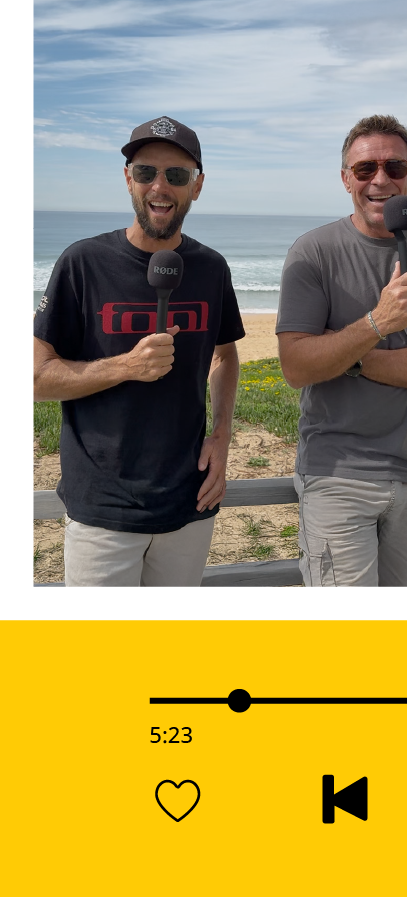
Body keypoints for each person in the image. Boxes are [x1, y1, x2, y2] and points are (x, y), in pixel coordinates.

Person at [33, 116, 245, 586]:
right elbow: (35, 378)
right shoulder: (82, 263)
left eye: (177, 175)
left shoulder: (211, 268)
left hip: (189, 501)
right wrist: (126, 366)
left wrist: (222, 437)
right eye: (147, 172)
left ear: (198, 185)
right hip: (102, 509)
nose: (160, 186)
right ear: (128, 178)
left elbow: (225, 355)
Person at [276, 114, 407, 586]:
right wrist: (377, 322)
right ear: (346, 178)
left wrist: (351, 359)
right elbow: (296, 366)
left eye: (395, 166)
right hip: (336, 474)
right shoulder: (313, 252)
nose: (380, 180)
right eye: (365, 169)